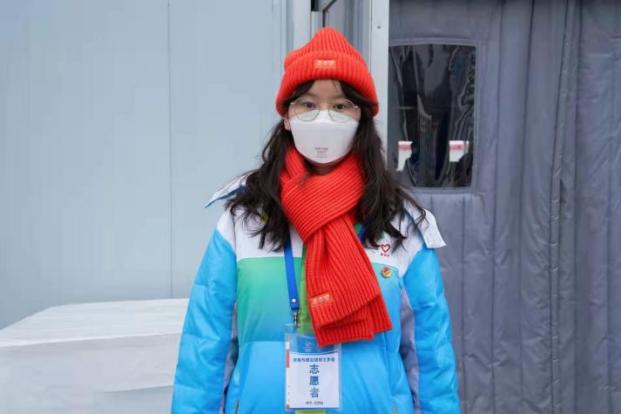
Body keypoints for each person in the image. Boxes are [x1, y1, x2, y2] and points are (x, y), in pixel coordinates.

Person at [171, 27, 459, 414]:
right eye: (308, 104)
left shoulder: (399, 222)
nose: (324, 117)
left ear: (362, 117)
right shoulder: (244, 218)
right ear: (287, 117)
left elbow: (429, 353)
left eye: (341, 105)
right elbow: (206, 345)